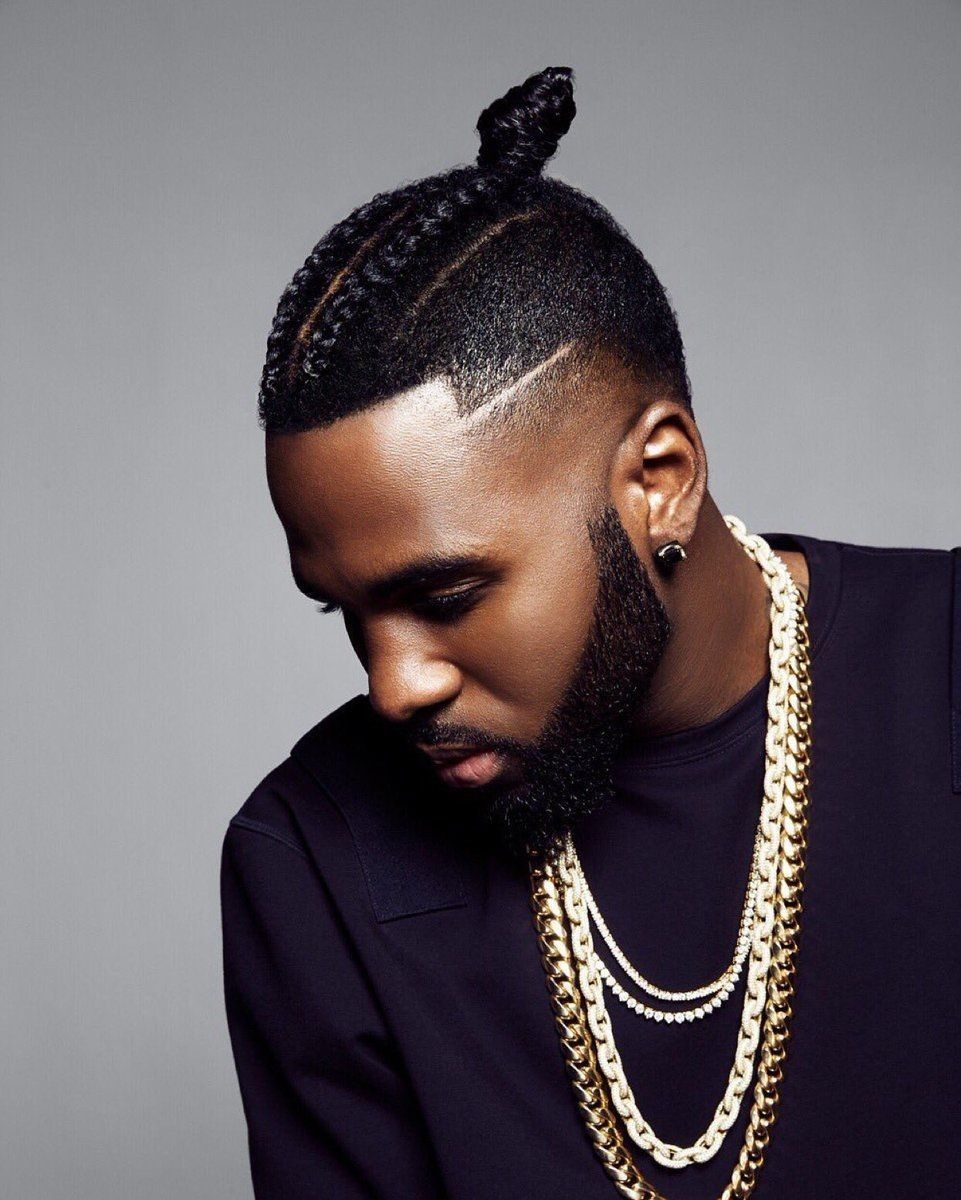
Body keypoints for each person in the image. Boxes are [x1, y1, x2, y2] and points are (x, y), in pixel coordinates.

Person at [220, 67, 961, 1200]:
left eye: (446, 595)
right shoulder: (317, 858)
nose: (393, 686)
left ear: (659, 480)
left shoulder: (938, 678)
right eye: (346, 612)